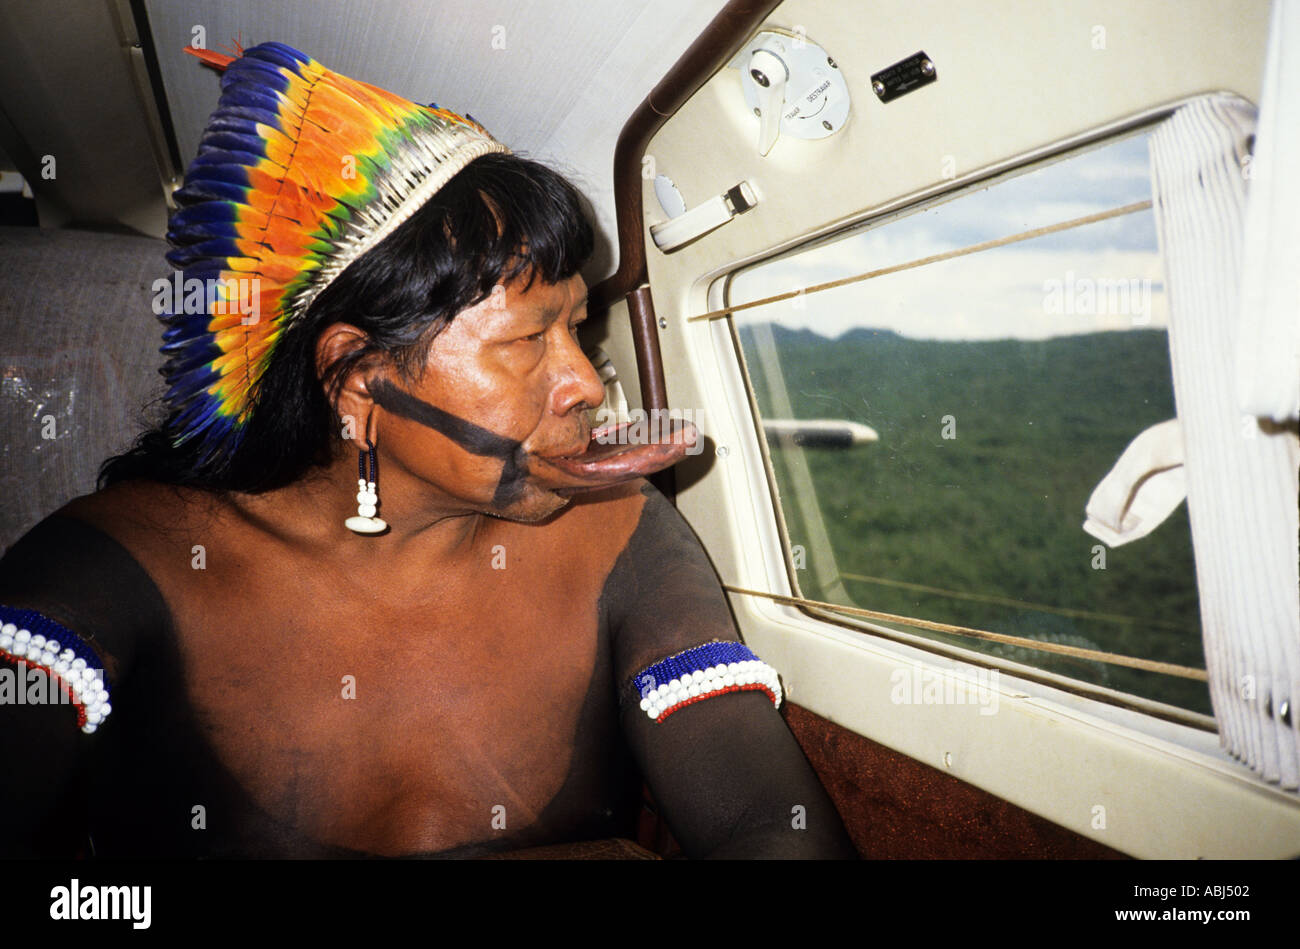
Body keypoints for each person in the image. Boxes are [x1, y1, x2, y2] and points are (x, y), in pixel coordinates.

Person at [0, 41, 854, 858]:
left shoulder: (617, 529)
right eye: (528, 339)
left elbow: (775, 827)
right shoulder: (121, 561)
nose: (587, 384)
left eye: (577, 327)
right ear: (358, 381)